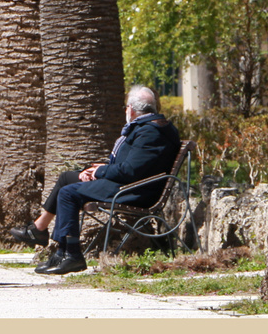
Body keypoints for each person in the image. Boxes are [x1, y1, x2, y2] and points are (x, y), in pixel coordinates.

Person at [35, 86, 183, 276]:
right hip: (130, 184)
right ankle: (61, 252)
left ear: (131, 109)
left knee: (68, 193)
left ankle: (72, 256)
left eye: (126, 108)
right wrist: (98, 169)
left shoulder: (150, 132)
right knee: (68, 180)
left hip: (134, 191)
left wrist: (101, 171)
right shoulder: (150, 127)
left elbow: (130, 170)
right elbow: (131, 165)